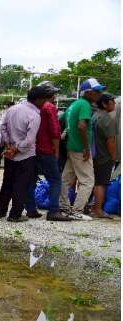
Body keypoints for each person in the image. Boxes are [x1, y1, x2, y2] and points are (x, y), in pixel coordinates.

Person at [0, 86, 49, 222]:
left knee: (7, 182)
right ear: (38, 99)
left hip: (10, 153)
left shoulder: (12, 109)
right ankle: (15, 214)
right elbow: (30, 140)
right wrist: (17, 149)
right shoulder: (35, 115)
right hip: (25, 155)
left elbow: (3, 127)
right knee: (21, 185)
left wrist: (8, 145)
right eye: (44, 99)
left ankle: (0, 211)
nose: (45, 103)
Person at [59, 78, 105, 220]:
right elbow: (82, 126)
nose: (100, 94)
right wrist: (86, 148)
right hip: (80, 149)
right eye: (97, 91)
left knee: (66, 179)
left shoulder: (73, 105)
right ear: (88, 93)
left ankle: (64, 208)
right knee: (88, 181)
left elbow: (61, 122)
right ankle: (77, 211)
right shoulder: (85, 105)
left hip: (71, 147)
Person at [33, 81, 70, 221]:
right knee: (55, 180)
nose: (54, 96)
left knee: (32, 179)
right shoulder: (49, 107)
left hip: (35, 148)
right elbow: (55, 131)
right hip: (46, 148)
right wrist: (56, 150)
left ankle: (30, 208)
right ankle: (53, 211)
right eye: (53, 93)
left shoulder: (37, 107)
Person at [91, 93, 118, 218]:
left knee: (92, 182)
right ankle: (98, 209)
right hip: (104, 156)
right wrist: (113, 157)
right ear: (104, 104)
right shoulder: (107, 119)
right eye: (112, 101)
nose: (114, 103)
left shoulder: (95, 116)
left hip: (94, 154)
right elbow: (110, 140)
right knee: (101, 183)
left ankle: (90, 206)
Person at [0, 101, 15, 169]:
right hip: (5, 135)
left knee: (12, 150)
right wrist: (5, 137)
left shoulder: (16, 114)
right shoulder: (5, 114)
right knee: (1, 149)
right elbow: (2, 127)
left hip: (13, 136)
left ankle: (10, 165)